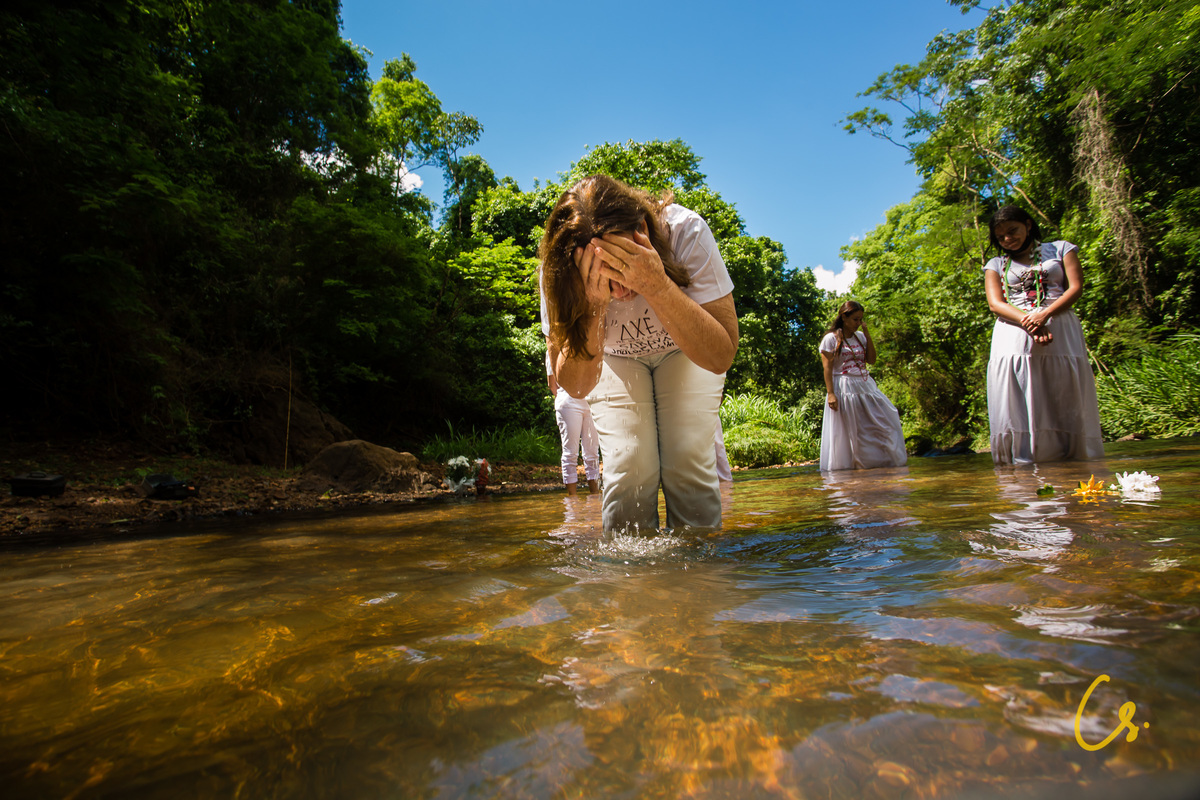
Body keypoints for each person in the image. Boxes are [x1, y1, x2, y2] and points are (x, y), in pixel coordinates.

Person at [540, 175, 738, 531]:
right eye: (603, 276)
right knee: (629, 467)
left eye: (622, 265)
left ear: (642, 229)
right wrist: (593, 306)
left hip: (686, 350)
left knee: (686, 462)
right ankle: (626, 566)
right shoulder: (560, 269)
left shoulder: (685, 232)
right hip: (613, 358)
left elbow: (720, 355)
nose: (620, 291)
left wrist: (657, 285)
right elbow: (576, 386)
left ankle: (702, 562)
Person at [983, 205, 1104, 464]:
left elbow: (1075, 288)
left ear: (1028, 224)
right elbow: (995, 304)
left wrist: (1044, 314)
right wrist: (1031, 322)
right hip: (1013, 331)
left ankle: (1074, 460)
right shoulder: (995, 264)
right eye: (1000, 236)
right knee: (1019, 391)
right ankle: (1023, 461)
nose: (1007, 239)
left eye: (1012, 231)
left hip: (1060, 326)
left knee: (1063, 388)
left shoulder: (1061, 250)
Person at [819, 301, 907, 471]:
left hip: (865, 385)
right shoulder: (830, 339)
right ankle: (854, 468)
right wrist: (831, 394)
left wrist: (867, 334)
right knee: (853, 430)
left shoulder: (860, 336)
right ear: (844, 318)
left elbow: (871, 360)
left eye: (861, 319)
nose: (859, 323)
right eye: (855, 319)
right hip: (844, 386)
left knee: (886, 419)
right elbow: (827, 368)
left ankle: (884, 463)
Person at [546, 350, 600, 495]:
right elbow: (552, 384)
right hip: (568, 402)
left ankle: (595, 496)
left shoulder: (590, 344)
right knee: (570, 453)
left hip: (592, 401)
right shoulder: (553, 349)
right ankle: (572, 500)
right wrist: (567, 397)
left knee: (592, 452)